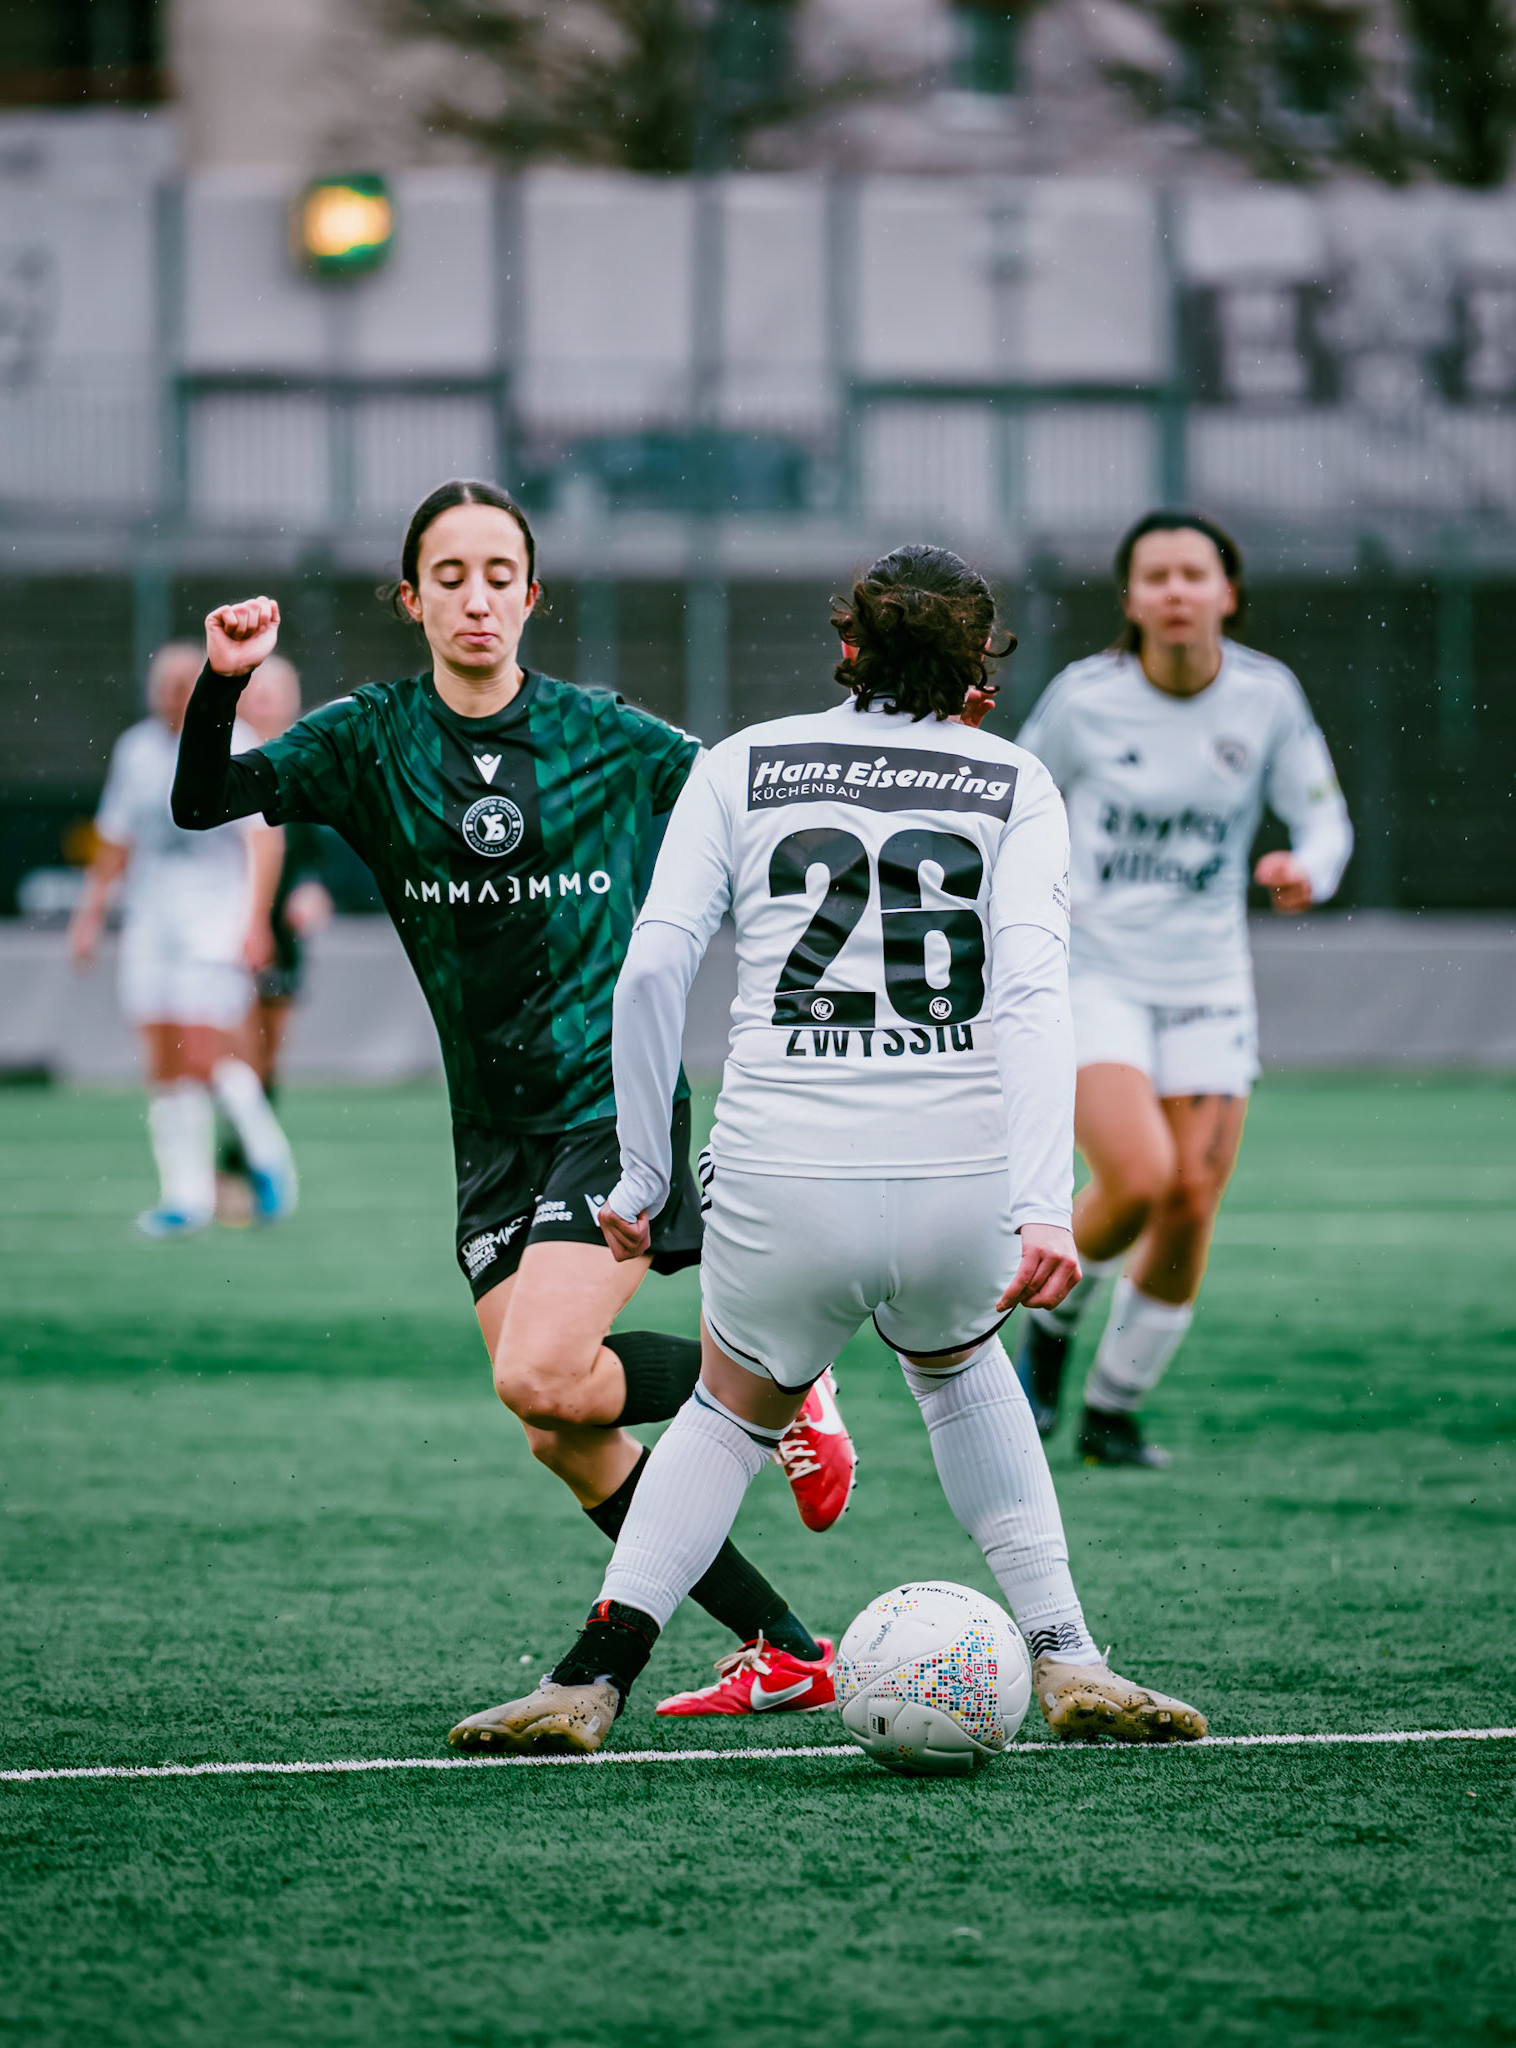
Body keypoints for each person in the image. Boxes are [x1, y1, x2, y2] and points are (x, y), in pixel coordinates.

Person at [449, 543, 1207, 1756]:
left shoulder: (744, 762)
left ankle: (593, 1674)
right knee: (962, 1373)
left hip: (780, 1175)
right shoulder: (1016, 781)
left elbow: (652, 969)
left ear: (847, 646)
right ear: (978, 673)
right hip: (960, 1174)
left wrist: (643, 1177)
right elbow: (1029, 996)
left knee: (727, 1412)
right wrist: (1041, 1203)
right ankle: (1068, 1653)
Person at [169, 478, 855, 1715]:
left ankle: (782, 1374)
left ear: (532, 596)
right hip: (489, 1128)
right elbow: (203, 801)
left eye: (499, 574)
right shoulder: (366, 738)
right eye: (450, 575)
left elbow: (747, 804)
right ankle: (790, 1645)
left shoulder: (610, 736)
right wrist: (223, 681)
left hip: (610, 1100)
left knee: (541, 1374)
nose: (476, 596)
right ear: (411, 599)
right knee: (561, 1423)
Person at [1010, 511, 1354, 1467]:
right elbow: (1023, 804)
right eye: (1154, 576)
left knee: (1194, 1198)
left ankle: (1113, 1411)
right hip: (1098, 972)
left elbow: (1324, 817)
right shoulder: (1086, 701)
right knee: (1143, 1177)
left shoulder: (1266, 697)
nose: (1174, 592)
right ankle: (1048, 1330)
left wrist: (1308, 871)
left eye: (1192, 575)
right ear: (1130, 599)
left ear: (1227, 594)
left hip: (1209, 981)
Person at [67, 641, 298, 1237]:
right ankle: (184, 1195)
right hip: (150, 923)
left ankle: (265, 1152)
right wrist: (90, 913)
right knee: (161, 1058)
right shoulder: (136, 750)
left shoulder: (237, 738)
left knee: (200, 1053)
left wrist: (254, 921)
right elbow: (116, 838)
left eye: (182, 683)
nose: (172, 694)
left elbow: (264, 841)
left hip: (211, 923)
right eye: (164, 684)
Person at [214, 658, 335, 1224]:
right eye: (256, 691)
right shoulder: (220, 760)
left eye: (277, 692)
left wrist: (310, 890)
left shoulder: (305, 758)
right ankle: (223, 1172)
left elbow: (315, 844)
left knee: (265, 1058)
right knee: (225, 1055)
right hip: (220, 924)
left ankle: (245, 1169)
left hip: (278, 934)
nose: (265, 701)